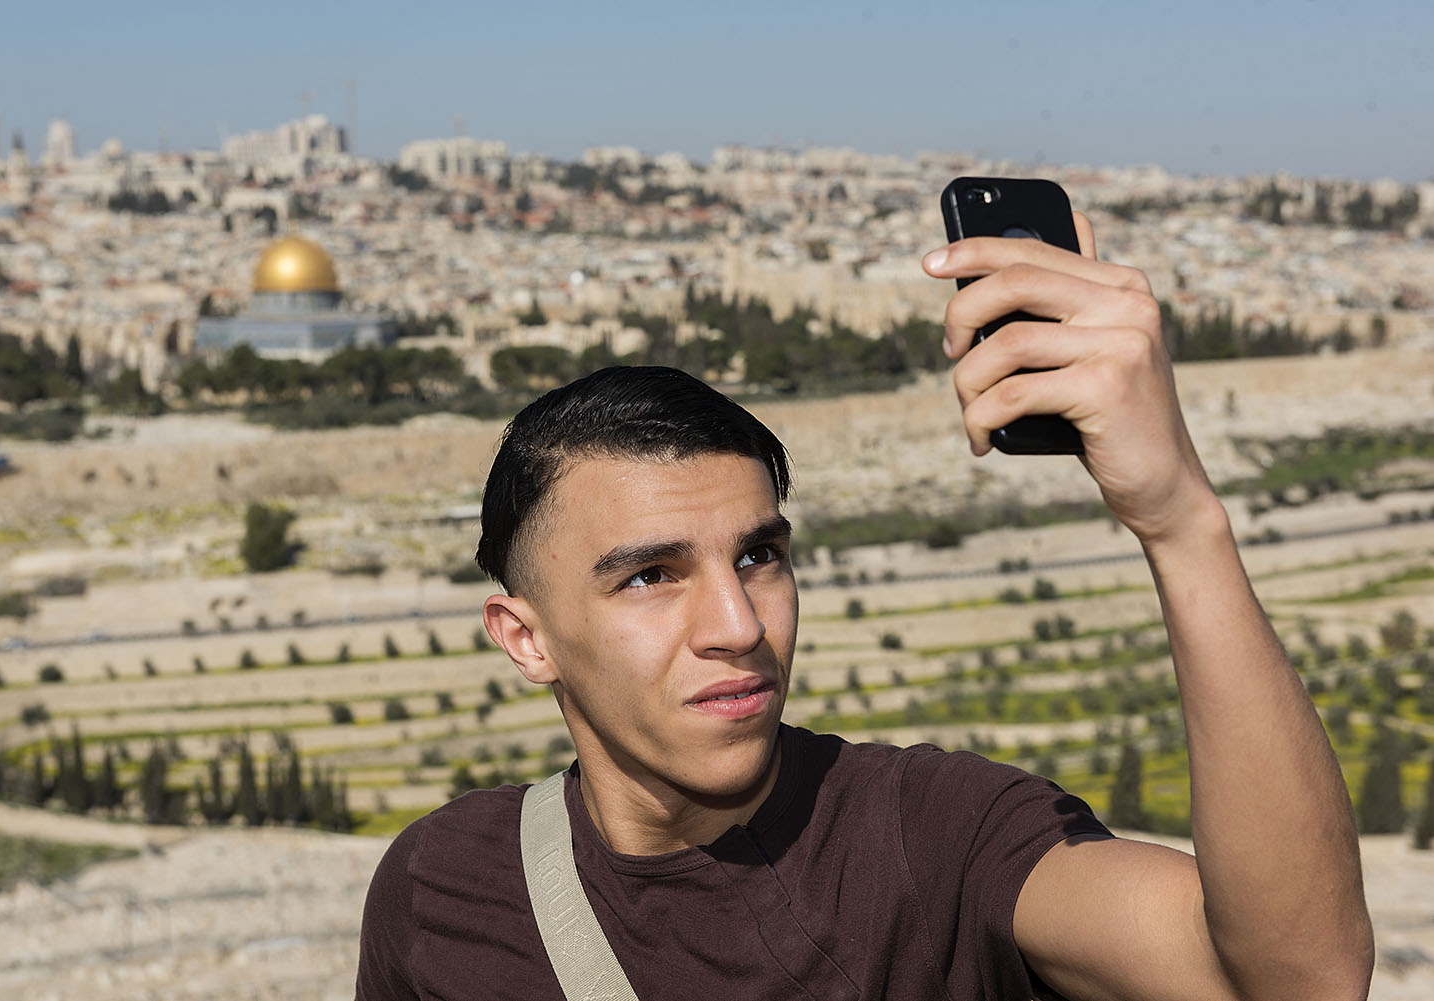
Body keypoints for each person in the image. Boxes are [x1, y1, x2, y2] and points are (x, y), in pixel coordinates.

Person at [355, 217, 1374, 1001]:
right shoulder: (443, 885)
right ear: (525, 638)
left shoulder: (934, 837)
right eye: (650, 575)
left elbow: (1299, 981)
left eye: (759, 554)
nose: (738, 622)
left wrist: (1181, 521)